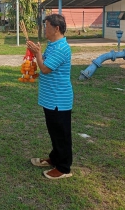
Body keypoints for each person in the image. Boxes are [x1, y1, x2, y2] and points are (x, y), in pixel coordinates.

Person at [26, 14, 73, 180]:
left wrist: (38, 54)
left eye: (47, 26)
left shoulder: (62, 48)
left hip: (59, 99)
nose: (44, 29)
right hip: (50, 98)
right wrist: (35, 54)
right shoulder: (52, 45)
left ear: (57, 28)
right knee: (54, 132)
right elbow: (45, 64)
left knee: (62, 134)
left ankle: (64, 168)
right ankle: (54, 158)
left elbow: (45, 68)